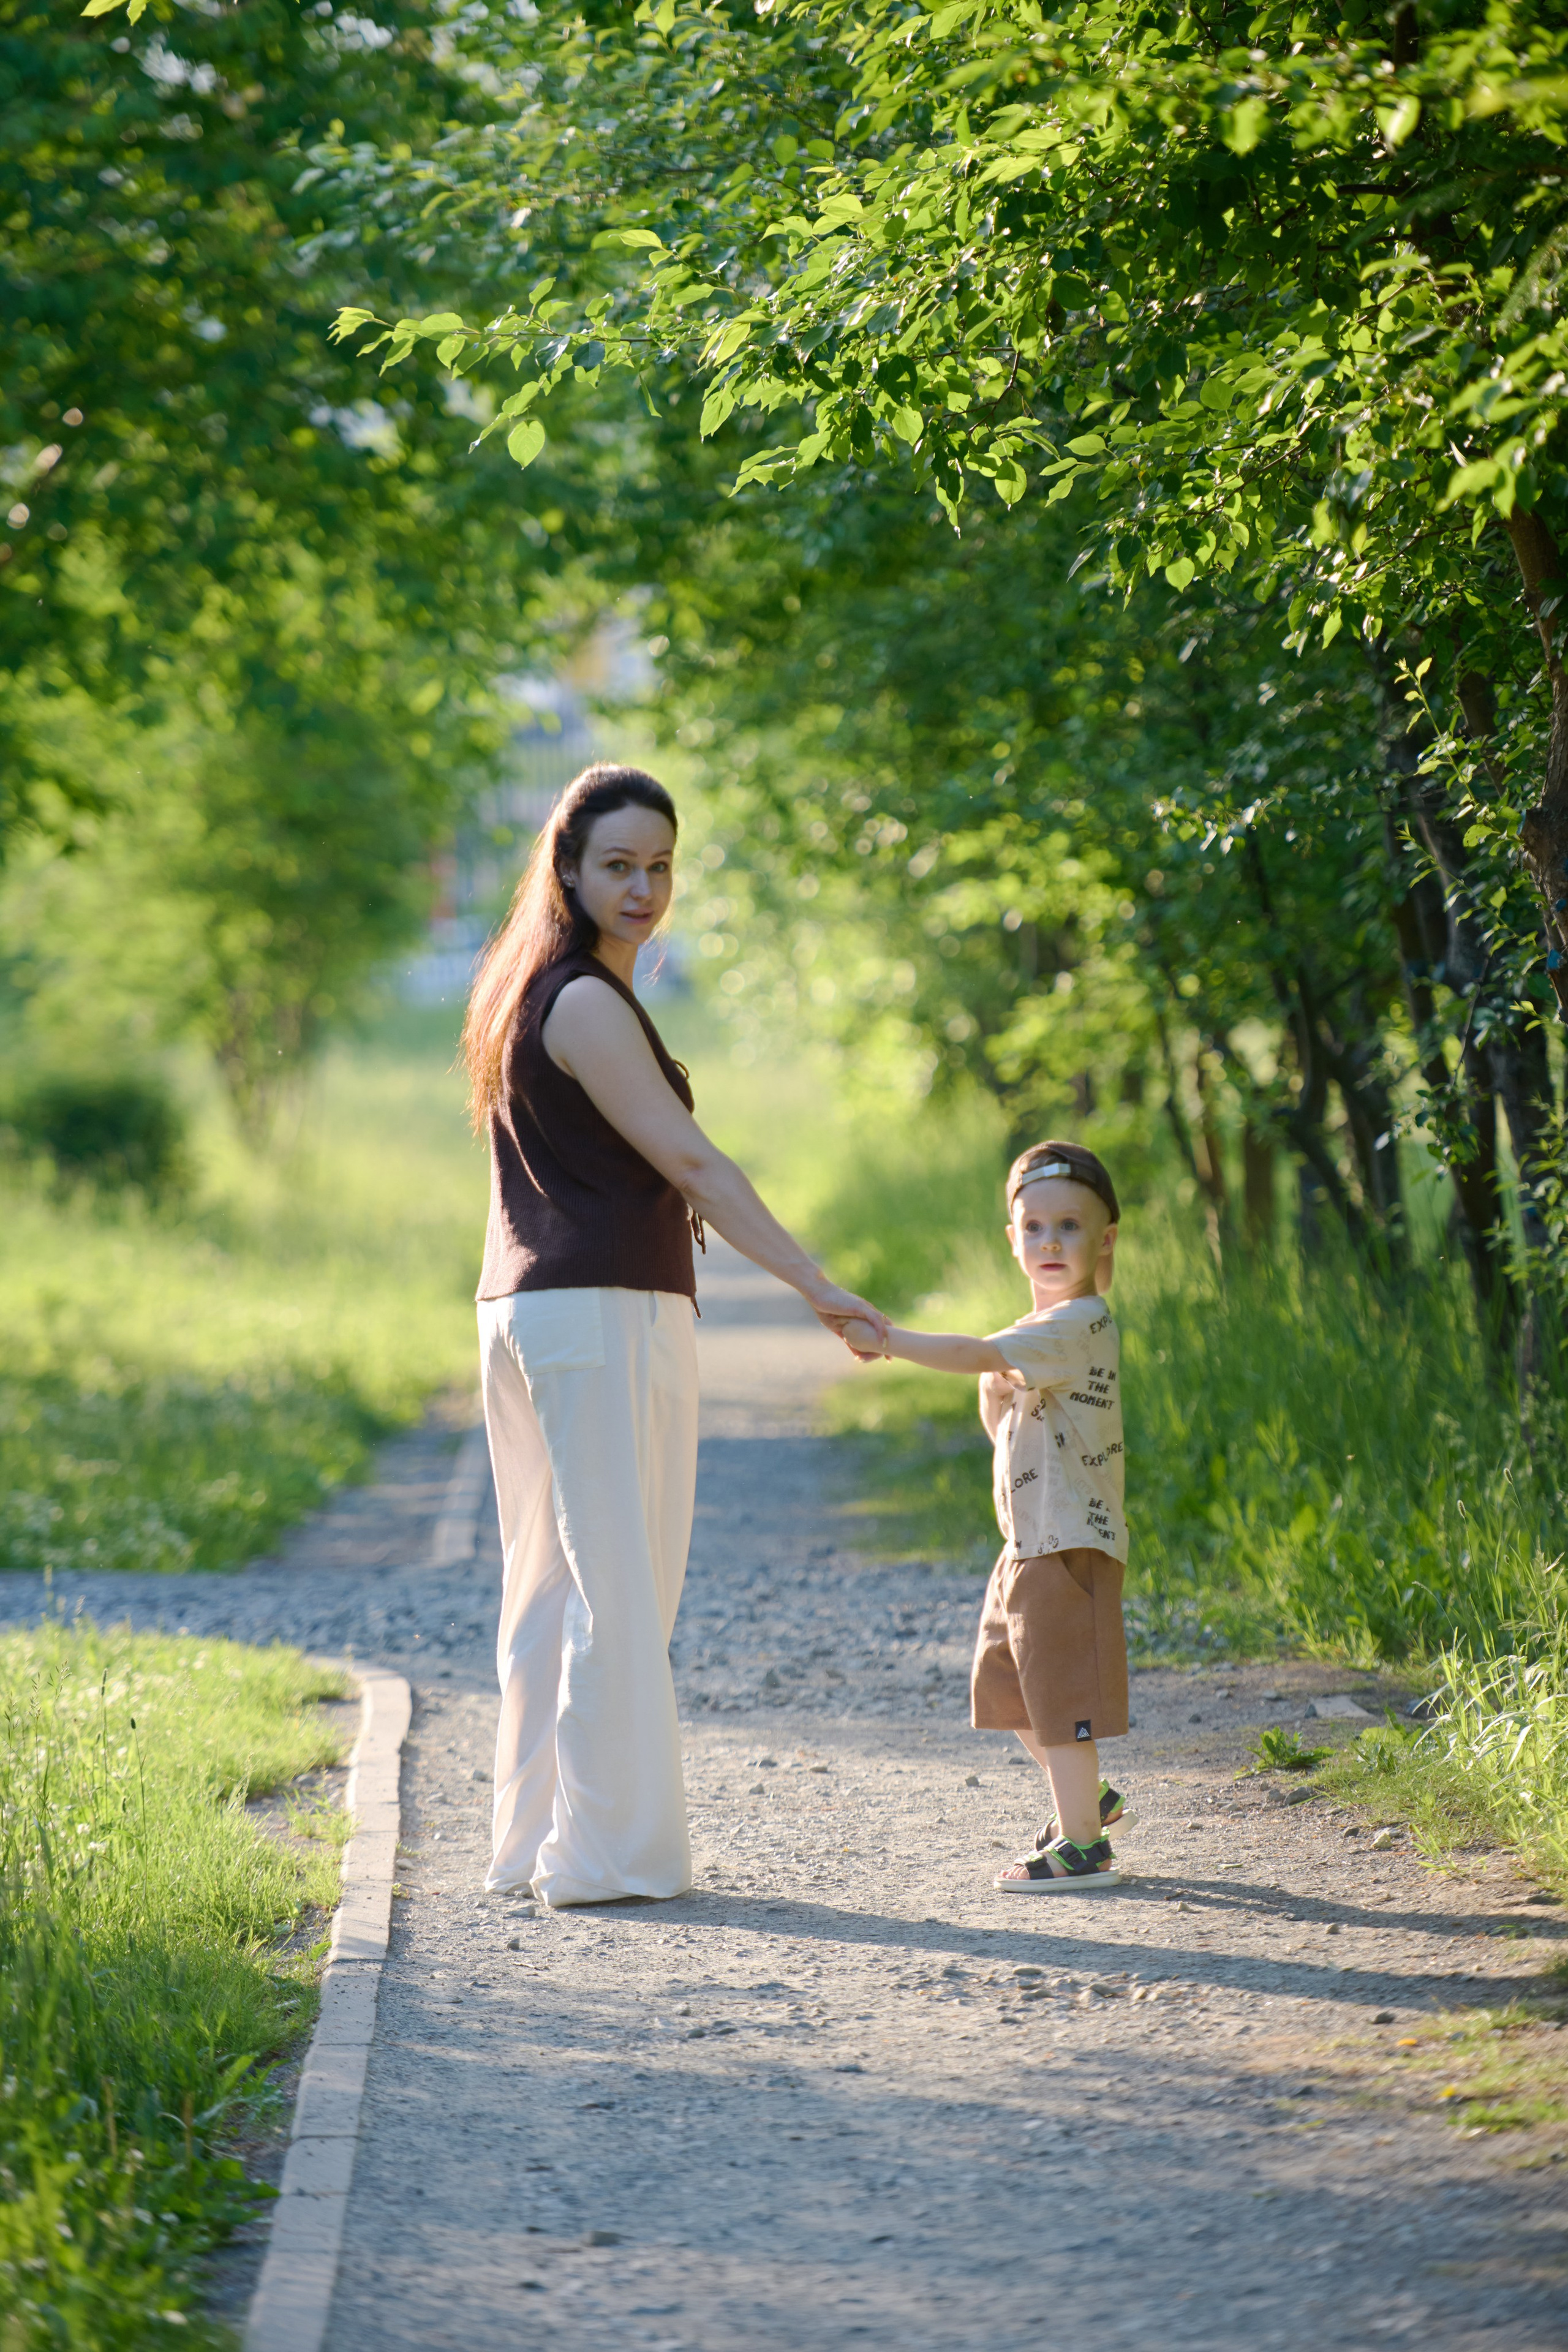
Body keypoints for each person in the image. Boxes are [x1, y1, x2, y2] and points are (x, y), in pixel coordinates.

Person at [461, 763, 886, 1909]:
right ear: (567, 867)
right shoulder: (586, 1000)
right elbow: (690, 1162)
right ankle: (607, 1859)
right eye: (618, 866)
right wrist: (815, 1284)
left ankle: (533, 1843)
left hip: (530, 1310)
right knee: (620, 1588)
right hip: (599, 1315)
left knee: (553, 1587)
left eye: (659, 867)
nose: (644, 887)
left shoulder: (530, 986)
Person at [840, 1140, 1130, 1890]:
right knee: (1008, 1689)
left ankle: (1082, 1845)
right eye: (1034, 1228)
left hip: (1065, 1543)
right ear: (1013, 1239)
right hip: (1025, 1541)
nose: (1050, 1242)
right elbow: (1012, 1429)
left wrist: (890, 1341)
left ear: (1105, 1240)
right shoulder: (1035, 1335)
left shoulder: (1078, 1323)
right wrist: (995, 1401)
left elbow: (971, 1350)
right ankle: (1087, 1804)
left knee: (1060, 1697)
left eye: (1069, 1227)